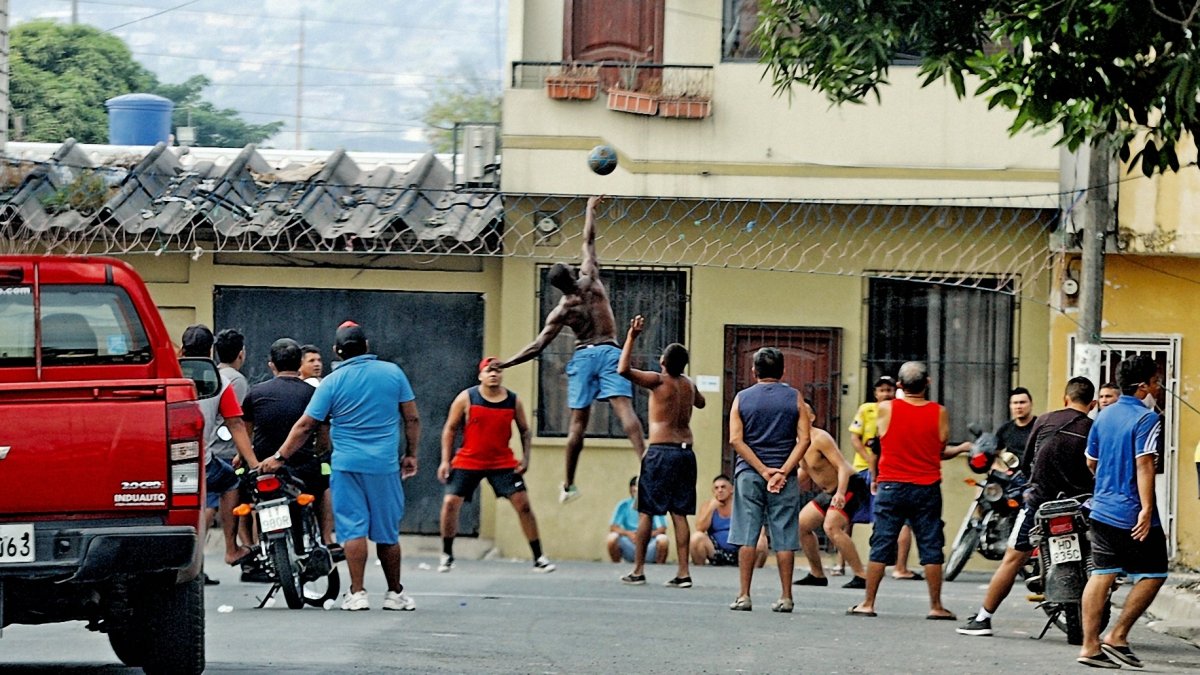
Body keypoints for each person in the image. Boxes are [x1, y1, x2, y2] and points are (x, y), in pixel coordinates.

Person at [260, 321, 421, 612]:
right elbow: (412, 418)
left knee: (353, 530)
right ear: (367, 347)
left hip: (346, 465)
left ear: (337, 350)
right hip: (384, 465)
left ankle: (357, 593)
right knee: (387, 533)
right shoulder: (393, 373)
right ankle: (394, 593)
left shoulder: (332, 382)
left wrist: (279, 457)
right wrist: (411, 454)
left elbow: (306, 425)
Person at [499, 195, 645, 503]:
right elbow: (588, 240)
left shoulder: (562, 310)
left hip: (583, 356)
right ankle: (646, 464)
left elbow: (538, 346)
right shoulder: (591, 279)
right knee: (624, 410)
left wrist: (507, 363)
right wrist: (591, 209)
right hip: (609, 351)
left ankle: (568, 484)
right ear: (573, 273)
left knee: (577, 423)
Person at [958, 377, 1096, 637]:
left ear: (1065, 399)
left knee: (1012, 560)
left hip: (1040, 504)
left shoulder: (1044, 420)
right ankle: (1095, 627)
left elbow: (1026, 463)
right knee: (1098, 561)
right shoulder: (1094, 427)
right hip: (1080, 505)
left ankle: (983, 618)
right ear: (1093, 403)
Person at [849, 360, 966, 620]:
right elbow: (940, 449)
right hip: (926, 486)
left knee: (881, 541)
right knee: (931, 544)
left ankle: (868, 602)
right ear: (928, 383)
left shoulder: (885, 409)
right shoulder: (939, 412)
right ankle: (936, 606)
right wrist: (960, 449)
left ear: (899, 386)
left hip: (891, 485)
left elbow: (876, 442)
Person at [1076, 355, 1167, 669]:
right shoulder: (1146, 418)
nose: (1158, 387)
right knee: (1155, 573)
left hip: (1100, 508)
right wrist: (1146, 510)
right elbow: (1145, 465)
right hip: (1130, 512)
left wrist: (1108, 481)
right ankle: (1117, 635)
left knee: (1102, 573)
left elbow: (1091, 461)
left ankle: (1090, 646)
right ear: (1143, 387)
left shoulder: (1103, 415)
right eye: (1155, 382)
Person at [437, 357, 555, 574]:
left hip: (501, 461)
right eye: (489, 371)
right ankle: (447, 554)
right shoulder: (467, 398)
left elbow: (525, 431)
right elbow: (450, 428)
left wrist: (526, 459)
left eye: (498, 371)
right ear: (480, 375)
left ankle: (539, 557)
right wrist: (445, 460)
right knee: (451, 503)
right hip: (469, 459)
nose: (494, 374)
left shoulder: (513, 400)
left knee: (523, 505)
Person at [615, 315, 705, 588]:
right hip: (685, 452)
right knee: (679, 514)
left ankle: (639, 569)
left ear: (663, 362)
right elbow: (701, 403)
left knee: (646, 511)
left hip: (661, 452)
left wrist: (631, 337)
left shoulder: (658, 380)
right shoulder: (688, 385)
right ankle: (683, 572)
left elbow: (623, 370)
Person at [726, 347, 812, 613]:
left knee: (747, 534)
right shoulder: (794, 397)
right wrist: (783, 471)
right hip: (784, 476)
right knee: (784, 535)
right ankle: (786, 596)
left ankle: (744, 595)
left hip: (750, 473)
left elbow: (736, 440)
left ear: (754, 372)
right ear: (783, 371)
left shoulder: (742, 398)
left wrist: (763, 470)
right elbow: (805, 439)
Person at [179, 324, 260, 583]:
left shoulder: (168, 375)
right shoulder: (220, 382)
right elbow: (236, 424)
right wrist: (253, 463)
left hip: (165, 463)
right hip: (201, 461)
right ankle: (230, 548)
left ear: (182, 349)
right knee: (230, 481)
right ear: (211, 350)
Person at [241, 338, 334, 547]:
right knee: (323, 488)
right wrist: (319, 452)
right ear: (299, 363)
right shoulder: (314, 394)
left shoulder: (255, 393)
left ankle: (256, 545)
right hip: (303, 468)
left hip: (264, 467)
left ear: (271, 364)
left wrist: (246, 460)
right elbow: (323, 436)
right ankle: (327, 538)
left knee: (257, 500)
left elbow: (245, 436)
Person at [849, 376, 919, 581]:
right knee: (850, 515)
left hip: (891, 472)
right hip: (865, 470)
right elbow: (856, 439)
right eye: (882, 390)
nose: (886, 394)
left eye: (889, 390)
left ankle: (898, 566)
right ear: (875, 393)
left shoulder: (899, 410)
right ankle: (842, 562)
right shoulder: (867, 410)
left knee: (889, 520)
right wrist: (870, 462)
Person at [795, 424, 870, 590]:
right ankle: (817, 574)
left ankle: (861, 575)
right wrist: (784, 485)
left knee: (831, 527)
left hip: (849, 486)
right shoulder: (799, 441)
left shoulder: (821, 438)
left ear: (811, 417)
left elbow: (842, 466)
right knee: (802, 525)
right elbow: (805, 470)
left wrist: (841, 493)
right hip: (829, 491)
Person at [690, 475, 768, 568]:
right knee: (696, 537)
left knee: (761, 540)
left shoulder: (741, 505)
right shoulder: (708, 506)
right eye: (716, 488)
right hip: (716, 551)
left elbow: (758, 528)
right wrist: (711, 508)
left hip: (741, 552)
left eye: (723, 487)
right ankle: (700, 572)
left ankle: (754, 575)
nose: (720, 490)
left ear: (732, 489)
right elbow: (700, 529)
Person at [607, 476, 669, 565]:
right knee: (611, 538)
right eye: (634, 487)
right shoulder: (623, 505)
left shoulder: (654, 504)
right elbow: (613, 527)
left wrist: (643, 536)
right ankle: (617, 565)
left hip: (649, 543)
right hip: (630, 542)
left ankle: (659, 567)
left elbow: (662, 529)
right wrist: (629, 534)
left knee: (663, 539)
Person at [996, 387, 1038, 475]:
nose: (1018, 406)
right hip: (1011, 480)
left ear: (1031, 404)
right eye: (1015, 403)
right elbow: (993, 454)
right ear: (1010, 406)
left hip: (1035, 479)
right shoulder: (1005, 429)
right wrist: (1002, 470)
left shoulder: (1040, 427)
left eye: (1022, 402)